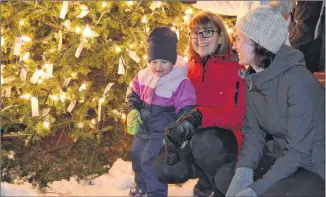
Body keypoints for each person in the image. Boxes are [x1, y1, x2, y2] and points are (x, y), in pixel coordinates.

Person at [214, 4, 325, 197]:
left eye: (240, 39)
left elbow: (299, 152)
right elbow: (253, 133)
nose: (233, 45)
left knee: (266, 193)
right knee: (226, 177)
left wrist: (255, 190)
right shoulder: (254, 78)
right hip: (282, 156)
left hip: (314, 165)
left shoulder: (298, 81)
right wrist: (243, 174)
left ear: (259, 44)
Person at [154, 11, 246, 197]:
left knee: (205, 141)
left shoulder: (236, 67)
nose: (199, 38)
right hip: (194, 139)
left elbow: (237, 117)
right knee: (164, 169)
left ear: (220, 37)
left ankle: (221, 186)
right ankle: (206, 176)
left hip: (224, 143)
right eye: (195, 33)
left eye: (207, 32)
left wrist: (200, 117)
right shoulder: (188, 67)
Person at [126, 26, 196, 197]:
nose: (158, 67)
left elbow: (186, 107)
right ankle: (141, 185)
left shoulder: (179, 81)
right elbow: (133, 94)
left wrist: (177, 130)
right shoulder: (143, 75)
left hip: (162, 130)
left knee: (149, 160)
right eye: (154, 62)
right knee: (136, 155)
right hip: (143, 126)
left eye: (164, 62)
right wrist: (133, 110)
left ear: (172, 61)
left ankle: (156, 192)